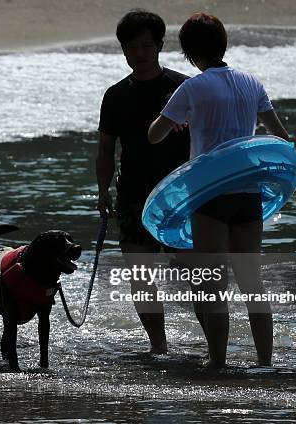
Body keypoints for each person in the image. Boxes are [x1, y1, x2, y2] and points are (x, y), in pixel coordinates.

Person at [148, 12, 296, 368]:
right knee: (252, 282)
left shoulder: (192, 87)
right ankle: (265, 362)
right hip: (250, 193)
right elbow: (280, 136)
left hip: (210, 195)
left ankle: (216, 363)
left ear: (188, 53)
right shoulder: (252, 82)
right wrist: (295, 174)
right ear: (223, 44)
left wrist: (177, 119)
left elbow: (154, 134)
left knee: (211, 283)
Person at [96, 9, 190, 354]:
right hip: (133, 193)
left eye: (146, 46)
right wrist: (102, 190)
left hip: (180, 195)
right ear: (123, 50)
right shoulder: (116, 95)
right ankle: (159, 346)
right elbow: (106, 149)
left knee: (193, 275)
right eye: (132, 47)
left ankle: (214, 347)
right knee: (141, 277)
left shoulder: (183, 88)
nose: (138, 53)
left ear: (160, 46)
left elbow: (206, 142)